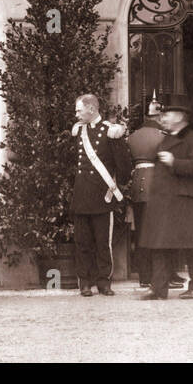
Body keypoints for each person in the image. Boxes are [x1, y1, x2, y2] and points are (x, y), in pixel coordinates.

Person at [139, 93, 193, 300]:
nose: (163, 117)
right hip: (164, 201)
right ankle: (158, 288)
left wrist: (174, 162)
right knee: (160, 244)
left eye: (168, 113)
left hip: (185, 200)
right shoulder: (166, 138)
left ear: (180, 116)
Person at [70, 93, 132, 296]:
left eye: (79, 109)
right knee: (82, 243)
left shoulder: (110, 132)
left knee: (103, 242)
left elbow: (123, 165)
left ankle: (104, 281)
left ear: (91, 109)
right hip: (81, 196)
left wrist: (117, 186)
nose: (76, 113)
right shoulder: (78, 131)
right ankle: (85, 282)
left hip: (102, 196)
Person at [128, 94, 166, 288]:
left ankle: (144, 275)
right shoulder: (163, 136)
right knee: (158, 233)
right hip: (157, 186)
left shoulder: (133, 136)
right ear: (159, 116)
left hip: (137, 186)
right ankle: (159, 276)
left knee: (141, 232)